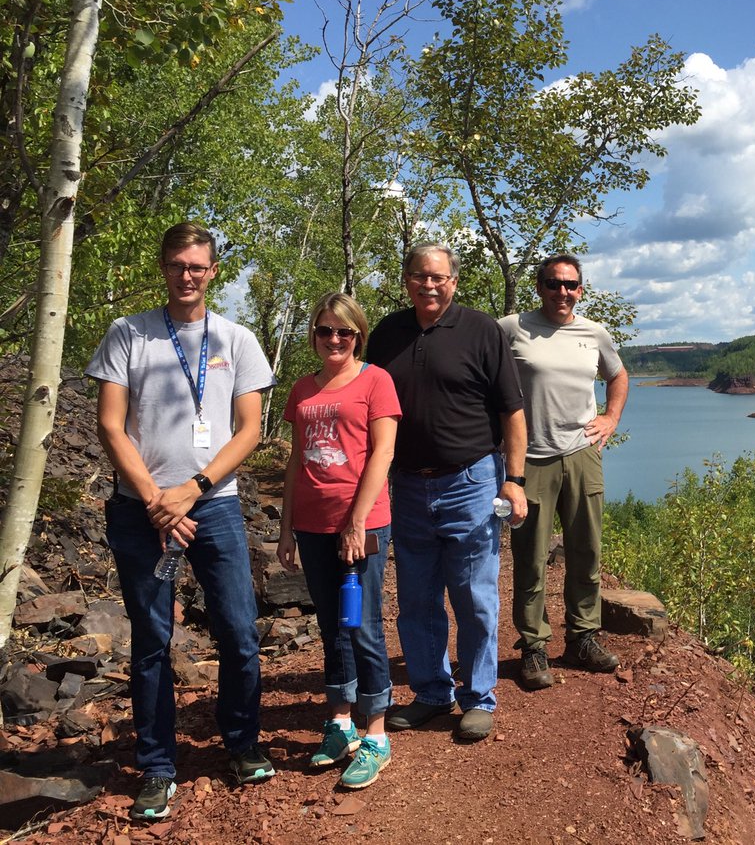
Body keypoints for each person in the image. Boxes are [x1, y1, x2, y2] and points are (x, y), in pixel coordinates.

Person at [86, 222, 276, 822]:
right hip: (139, 510)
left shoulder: (236, 339)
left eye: (197, 266)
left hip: (214, 505)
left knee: (240, 632)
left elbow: (250, 429)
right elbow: (111, 424)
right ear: (163, 267)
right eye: (176, 265)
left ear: (213, 271)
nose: (186, 275)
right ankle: (157, 765)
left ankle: (242, 744)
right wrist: (154, 499)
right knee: (150, 642)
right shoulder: (128, 334)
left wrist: (190, 491)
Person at [366, 242, 527, 742]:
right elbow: (368, 405)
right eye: (419, 276)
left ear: (454, 281)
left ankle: (478, 697)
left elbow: (512, 411)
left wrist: (514, 480)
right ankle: (432, 693)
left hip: (471, 480)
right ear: (406, 280)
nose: (428, 285)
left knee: (475, 596)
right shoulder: (387, 333)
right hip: (408, 484)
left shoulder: (481, 331)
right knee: (416, 597)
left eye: (438, 277)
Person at [277, 293, 400, 789]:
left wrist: (357, 521)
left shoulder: (376, 381)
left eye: (344, 332)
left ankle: (377, 734)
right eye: (326, 330)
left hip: (362, 524)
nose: (334, 339)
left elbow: (383, 452)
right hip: (311, 523)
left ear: (358, 336)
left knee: (364, 624)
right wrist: (285, 527)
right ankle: (340, 723)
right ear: (314, 334)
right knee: (332, 625)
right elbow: (295, 461)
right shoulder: (303, 389)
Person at [498, 255, 629, 689]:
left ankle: (582, 637)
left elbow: (618, 374)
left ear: (581, 289)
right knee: (531, 557)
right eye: (554, 284)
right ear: (539, 286)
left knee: (585, 551)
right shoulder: (511, 328)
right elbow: (483, 378)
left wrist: (610, 418)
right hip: (530, 458)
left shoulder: (593, 333)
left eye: (571, 285)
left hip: (582, 454)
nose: (563, 292)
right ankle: (533, 645)